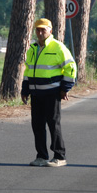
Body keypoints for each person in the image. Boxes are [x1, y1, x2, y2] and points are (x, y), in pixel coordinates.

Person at [21, 18, 77, 167]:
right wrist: (25, 89)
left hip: (52, 93)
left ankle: (59, 156)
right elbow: (28, 70)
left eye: (43, 30)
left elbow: (71, 67)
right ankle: (41, 156)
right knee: (37, 125)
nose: (40, 33)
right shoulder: (33, 48)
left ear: (50, 31)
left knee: (53, 124)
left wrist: (65, 88)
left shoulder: (58, 47)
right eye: (37, 30)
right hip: (36, 94)